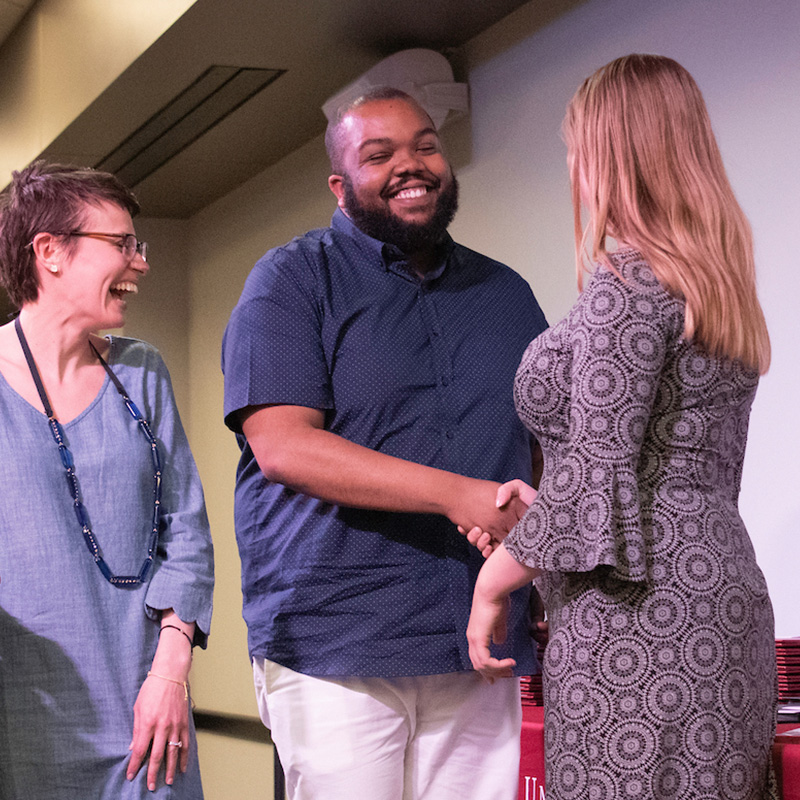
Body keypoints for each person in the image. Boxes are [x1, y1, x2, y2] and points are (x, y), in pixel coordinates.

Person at [222, 87, 547, 800]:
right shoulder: (290, 280)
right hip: (339, 638)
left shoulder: (506, 294)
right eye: (380, 155)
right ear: (340, 187)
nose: (411, 164)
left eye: (426, 146)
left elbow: (538, 451)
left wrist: (541, 569)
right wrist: (459, 496)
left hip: (479, 640)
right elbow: (284, 447)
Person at [467, 54, 778, 799]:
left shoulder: (628, 285)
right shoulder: (717, 288)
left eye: (576, 150)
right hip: (720, 595)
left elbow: (596, 470)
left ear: (611, 156)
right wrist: (548, 512)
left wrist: (493, 583)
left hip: (637, 618)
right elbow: (662, 471)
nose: (573, 169)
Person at [0, 162, 214, 799]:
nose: (140, 263)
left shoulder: (142, 371)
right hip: (28, 716)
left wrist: (170, 674)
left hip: (151, 714)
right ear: (49, 251)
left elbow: (186, 532)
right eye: (122, 244)